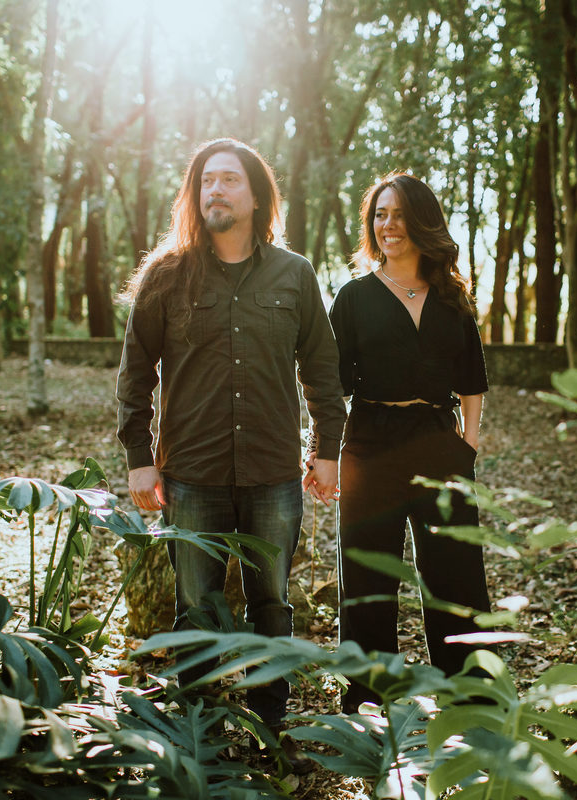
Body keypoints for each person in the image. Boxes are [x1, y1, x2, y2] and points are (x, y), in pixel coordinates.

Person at [116, 138, 346, 739]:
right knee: (196, 607)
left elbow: (322, 370)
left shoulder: (294, 275)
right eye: (205, 181)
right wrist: (140, 459)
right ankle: (197, 729)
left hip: (274, 473)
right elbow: (135, 373)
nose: (215, 189)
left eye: (229, 179)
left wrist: (327, 452)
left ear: (256, 194)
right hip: (191, 472)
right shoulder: (166, 276)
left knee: (272, 603)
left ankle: (270, 722)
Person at [321, 172, 491, 713]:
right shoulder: (353, 298)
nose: (387, 225)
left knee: (455, 568)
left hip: (440, 440)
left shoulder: (452, 297)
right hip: (370, 441)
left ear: (421, 221)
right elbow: (328, 384)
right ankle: (369, 695)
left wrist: (470, 443)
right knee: (368, 569)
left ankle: (470, 690)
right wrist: (323, 450)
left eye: (397, 214)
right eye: (379, 215)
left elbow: (472, 379)